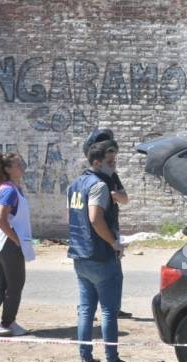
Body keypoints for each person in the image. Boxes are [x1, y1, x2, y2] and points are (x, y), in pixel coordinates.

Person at [67, 140, 138, 362]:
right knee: (108, 310)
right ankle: (112, 360)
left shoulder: (75, 184)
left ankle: (86, 360)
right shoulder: (98, 185)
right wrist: (114, 243)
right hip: (100, 255)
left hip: (80, 254)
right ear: (96, 162)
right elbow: (95, 219)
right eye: (110, 161)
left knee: (86, 310)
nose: (114, 164)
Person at [0, 153, 35, 336]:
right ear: (7, 169)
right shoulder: (9, 190)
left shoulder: (12, 188)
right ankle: (8, 322)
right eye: (17, 164)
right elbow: (1, 220)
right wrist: (17, 240)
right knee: (15, 283)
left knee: (1, 281)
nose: (22, 166)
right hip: (8, 244)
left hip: (4, 243)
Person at [82, 127, 133, 319]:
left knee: (114, 272)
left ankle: (113, 307)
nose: (112, 163)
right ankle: (89, 309)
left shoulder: (112, 176)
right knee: (95, 275)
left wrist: (113, 195)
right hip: (95, 232)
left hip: (111, 227)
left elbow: (125, 198)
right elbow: (91, 215)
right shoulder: (90, 178)